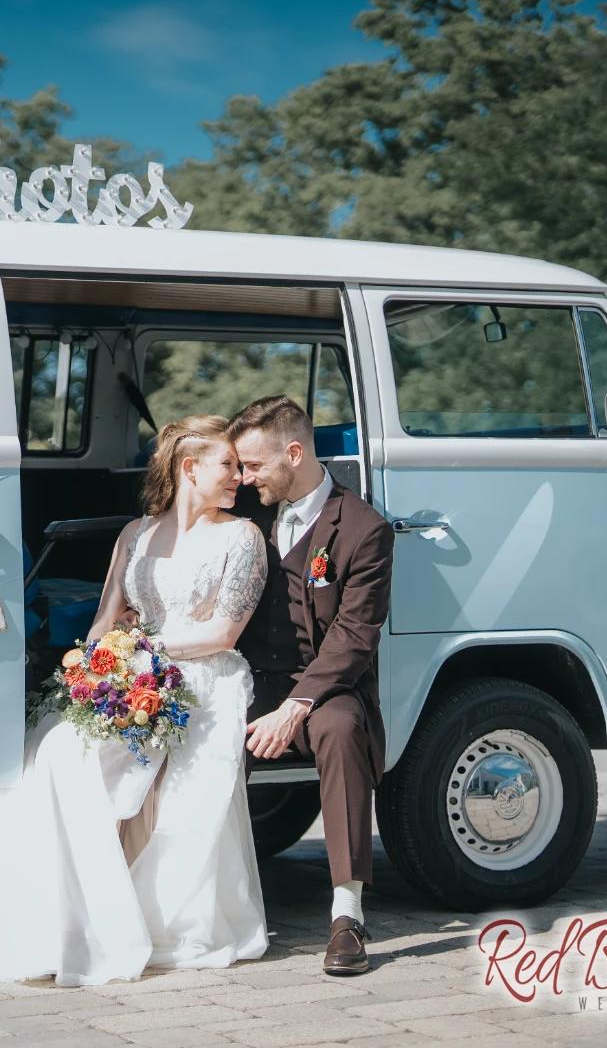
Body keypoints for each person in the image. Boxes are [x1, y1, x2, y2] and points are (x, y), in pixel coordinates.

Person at [0, 415, 269, 985]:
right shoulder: (135, 534)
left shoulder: (242, 538)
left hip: (204, 679)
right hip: (135, 675)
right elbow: (102, 622)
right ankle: (56, 918)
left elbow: (222, 634)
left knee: (83, 763)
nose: (238, 476)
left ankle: (109, 915)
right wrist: (98, 671)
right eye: (227, 465)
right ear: (190, 469)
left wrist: (145, 648)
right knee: (50, 750)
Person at [230, 395, 392, 976]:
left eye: (253, 466)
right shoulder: (244, 511)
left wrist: (297, 705)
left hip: (326, 683)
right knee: (203, 728)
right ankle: (205, 898)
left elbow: (354, 634)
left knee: (343, 728)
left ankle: (347, 913)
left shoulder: (365, 529)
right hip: (248, 679)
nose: (244, 477)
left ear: (293, 453)